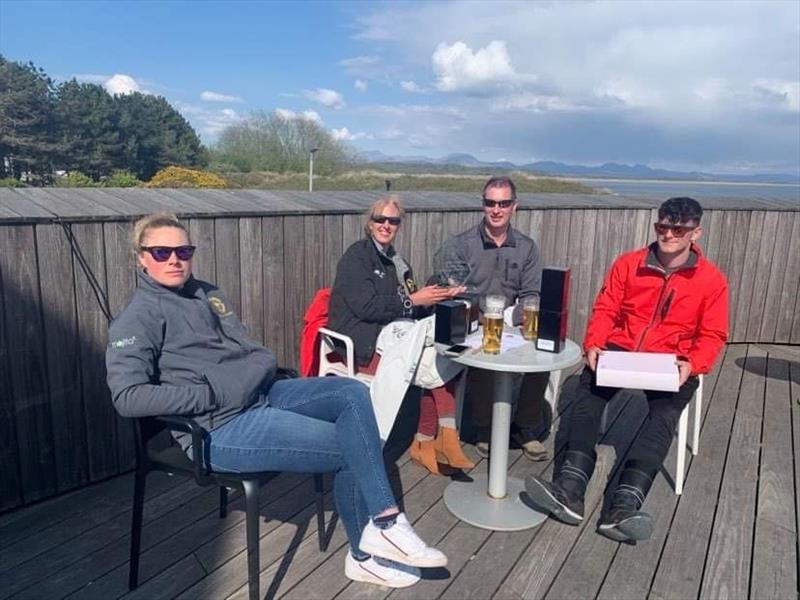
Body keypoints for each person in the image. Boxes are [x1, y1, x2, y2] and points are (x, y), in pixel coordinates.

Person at [106, 213, 447, 589]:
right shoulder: (136, 319)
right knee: (355, 445)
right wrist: (211, 393)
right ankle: (370, 545)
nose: (174, 259)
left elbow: (255, 353)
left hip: (261, 393)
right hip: (218, 428)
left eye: (183, 250)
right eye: (161, 252)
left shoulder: (208, 294)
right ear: (141, 257)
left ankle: (380, 526)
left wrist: (255, 369)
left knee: (353, 393)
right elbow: (128, 397)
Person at [525, 197, 728, 543]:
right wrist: (595, 343)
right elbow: (605, 308)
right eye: (662, 227)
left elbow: (713, 334)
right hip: (621, 347)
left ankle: (623, 505)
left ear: (695, 232)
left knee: (663, 416)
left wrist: (692, 364)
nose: (668, 234)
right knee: (586, 397)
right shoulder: (628, 264)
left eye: (678, 229)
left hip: (672, 358)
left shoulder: (711, 280)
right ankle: (569, 490)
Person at [328, 196, 474, 476]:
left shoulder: (399, 262)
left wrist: (436, 296)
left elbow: (412, 309)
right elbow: (366, 307)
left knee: (442, 349)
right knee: (436, 351)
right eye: (380, 219)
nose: (386, 225)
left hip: (397, 334)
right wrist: (413, 301)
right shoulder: (356, 257)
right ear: (369, 224)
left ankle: (429, 442)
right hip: (362, 337)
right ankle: (440, 436)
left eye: (393, 220)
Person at [433, 176, 550, 461]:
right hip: (474, 323)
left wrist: (513, 315)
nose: (496, 209)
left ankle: (525, 426)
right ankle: (485, 428)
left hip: (513, 322)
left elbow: (533, 294)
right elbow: (452, 291)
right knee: (485, 352)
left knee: (544, 354)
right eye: (490, 203)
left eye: (503, 203)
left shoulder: (527, 247)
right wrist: (482, 316)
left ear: (514, 207)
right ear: (483, 205)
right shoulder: (462, 245)